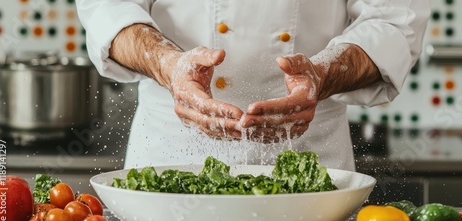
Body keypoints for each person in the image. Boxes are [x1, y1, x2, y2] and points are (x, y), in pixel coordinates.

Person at [76, 1, 430, 171]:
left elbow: (394, 21)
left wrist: (322, 75)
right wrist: (169, 66)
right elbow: (108, 9)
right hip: (171, 156)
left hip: (310, 165)